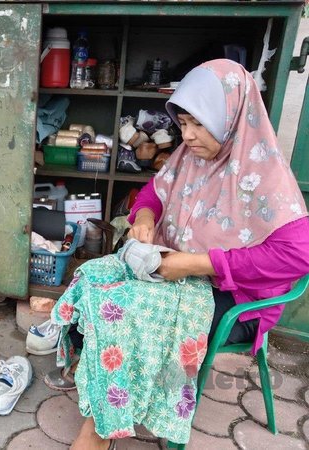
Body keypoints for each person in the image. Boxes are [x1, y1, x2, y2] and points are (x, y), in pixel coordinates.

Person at [51, 59, 309, 450]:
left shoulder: (266, 177)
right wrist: (144, 216)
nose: (186, 136)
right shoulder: (191, 157)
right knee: (91, 278)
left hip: (235, 296)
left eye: (198, 123)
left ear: (233, 117)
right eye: (183, 124)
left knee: (124, 307)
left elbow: (297, 257)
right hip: (179, 267)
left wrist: (200, 263)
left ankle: (100, 430)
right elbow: (155, 190)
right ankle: (99, 374)